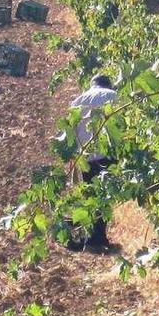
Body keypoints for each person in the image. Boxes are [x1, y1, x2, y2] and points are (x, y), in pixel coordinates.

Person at [69, 73, 118, 249]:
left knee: (90, 196)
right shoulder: (113, 96)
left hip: (86, 157)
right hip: (107, 155)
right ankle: (97, 238)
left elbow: (71, 131)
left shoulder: (77, 101)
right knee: (105, 196)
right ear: (108, 84)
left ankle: (92, 236)